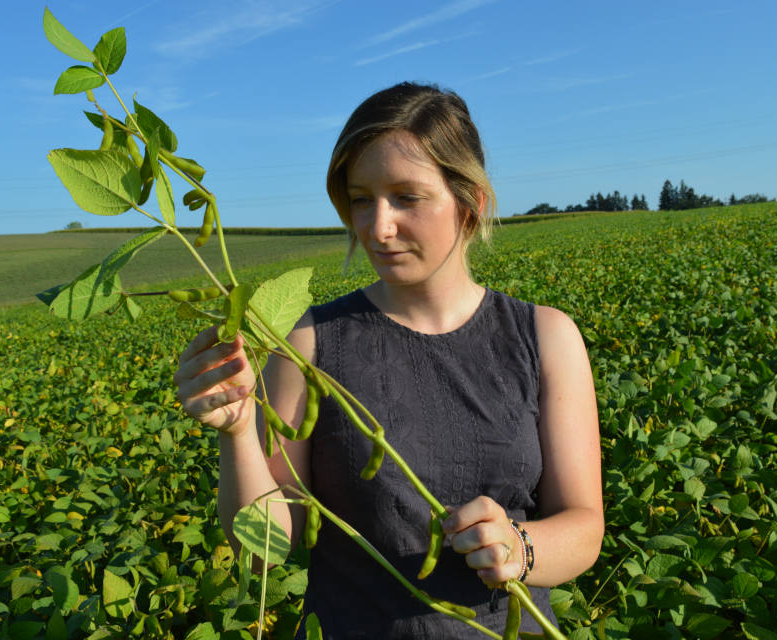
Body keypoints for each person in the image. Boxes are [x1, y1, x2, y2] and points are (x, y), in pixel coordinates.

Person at [174, 82, 604, 638]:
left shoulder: (545, 336)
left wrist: (520, 546)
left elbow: (584, 528)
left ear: (469, 200)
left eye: (406, 196)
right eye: (361, 199)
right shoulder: (308, 343)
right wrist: (235, 433)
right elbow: (265, 553)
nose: (378, 227)